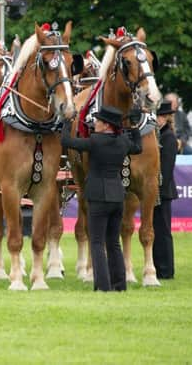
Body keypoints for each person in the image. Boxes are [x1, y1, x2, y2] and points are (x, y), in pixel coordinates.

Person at [62, 105, 143, 291]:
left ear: (107, 125)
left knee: (97, 243)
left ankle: (103, 286)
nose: (95, 123)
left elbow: (67, 141)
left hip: (97, 196)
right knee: (114, 243)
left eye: (98, 121)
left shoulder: (95, 141)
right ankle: (119, 284)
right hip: (117, 196)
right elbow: (138, 148)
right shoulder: (122, 141)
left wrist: (67, 122)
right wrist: (135, 126)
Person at [153, 100, 178, 279]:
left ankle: (166, 270)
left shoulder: (168, 137)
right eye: (156, 115)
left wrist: (159, 190)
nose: (158, 119)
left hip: (163, 190)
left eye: (161, 116)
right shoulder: (158, 135)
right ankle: (159, 267)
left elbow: (167, 168)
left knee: (163, 231)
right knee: (157, 230)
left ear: (167, 118)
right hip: (157, 189)